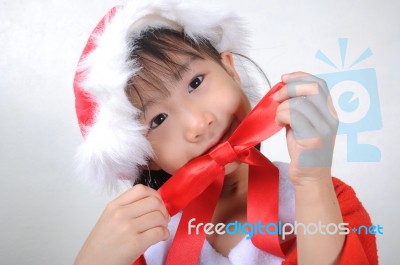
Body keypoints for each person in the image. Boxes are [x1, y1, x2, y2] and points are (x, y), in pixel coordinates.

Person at [72, 1, 378, 264]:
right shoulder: (143, 245)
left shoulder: (330, 198)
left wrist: (312, 182)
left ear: (231, 69)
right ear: (144, 156)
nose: (197, 123)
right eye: (158, 119)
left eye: (195, 83)